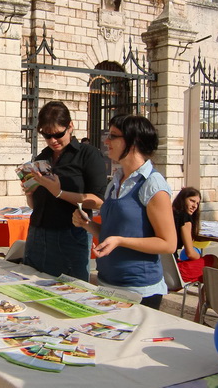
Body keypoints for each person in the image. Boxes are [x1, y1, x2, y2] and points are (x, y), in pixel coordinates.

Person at [73, 114, 176, 309]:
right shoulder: (116, 180)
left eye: (113, 136)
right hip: (107, 283)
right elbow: (111, 235)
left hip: (139, 290)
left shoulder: (153, 184)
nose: (106, 141)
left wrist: (120, 241)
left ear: (133, 142)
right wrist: (87, 224)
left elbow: (168, 244)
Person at [24, 101, 107, 281]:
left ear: (70, 127)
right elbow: (36, 204)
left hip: (70, 233)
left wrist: (60, 192)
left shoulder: (88, 155)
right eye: (46, 136)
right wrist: (30, 192)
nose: (53, 141)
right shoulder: (43, 157)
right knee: (32, 285)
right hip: (38, 232)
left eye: (58, 134)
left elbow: (98, 200)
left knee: (71, 288)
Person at [172, 187, 218, 283]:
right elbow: (190, 253)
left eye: (197, 203)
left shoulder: (169, 213)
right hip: (176, 273)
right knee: (212, 259)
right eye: (192, 201)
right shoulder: (185, 218)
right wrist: (199, 257)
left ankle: (205, 293)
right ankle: (208, 295)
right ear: (183, 199)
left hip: (163, 268)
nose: (195, 206)